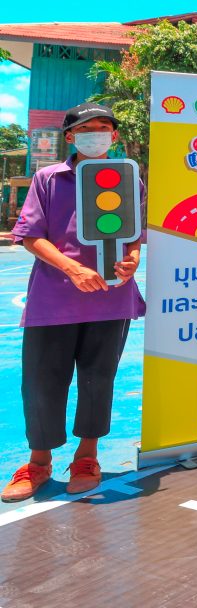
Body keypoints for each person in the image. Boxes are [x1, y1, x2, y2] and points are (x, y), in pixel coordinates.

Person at [2, 104, 145, 502]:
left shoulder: (128, 177)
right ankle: (38, 463)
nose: (96, 134)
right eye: (87, 129)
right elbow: (31, 235)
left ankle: (86, 458)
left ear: (114, 137)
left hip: (110, 299)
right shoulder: (49, 178)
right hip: (55, 300)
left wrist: (133, 257)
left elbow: (132, 232)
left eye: (104, 128)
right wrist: (72, 269)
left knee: (98, 380)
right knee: (43, 383)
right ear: (70, 136)